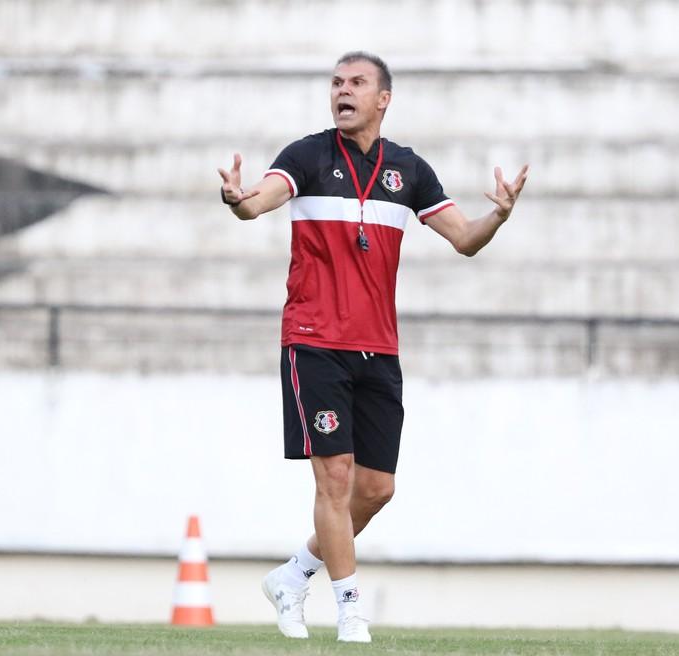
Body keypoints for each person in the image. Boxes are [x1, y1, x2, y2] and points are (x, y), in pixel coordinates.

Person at [217, 51, 528, 643]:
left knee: (377, 488)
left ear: (383, 99)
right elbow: (260, 200)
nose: (343, 91)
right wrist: (238, 198)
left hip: (378, 349)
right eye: (336, 83)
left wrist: (499, 215)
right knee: (333, 478)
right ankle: (349, 608)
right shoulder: (305, 156)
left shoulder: (408, 171)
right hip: (314, 342)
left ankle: (295, 574)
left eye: (357, 83)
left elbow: (464, 239)